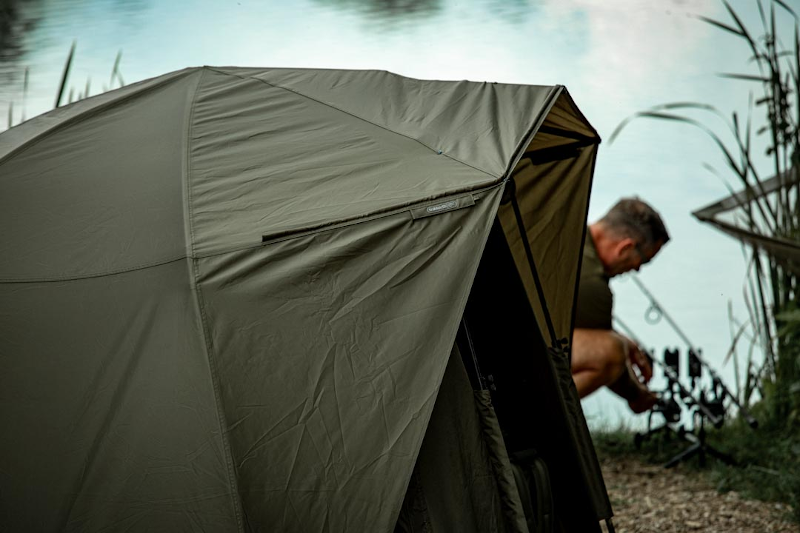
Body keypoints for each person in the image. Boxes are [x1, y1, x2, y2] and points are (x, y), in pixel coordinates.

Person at [571, 197, 669, 413]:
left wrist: (624, 341)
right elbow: (608, 358)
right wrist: (638, 396)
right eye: (642, 261)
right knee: (611, 351)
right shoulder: (593, 284)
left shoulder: (569, 231)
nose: (636, 270)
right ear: (625, 247)